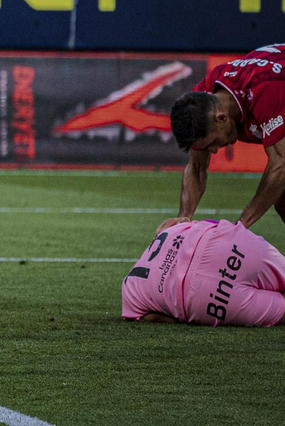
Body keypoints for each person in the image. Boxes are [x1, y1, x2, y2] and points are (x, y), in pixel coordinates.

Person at [163, 45, 285, 236]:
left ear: (221, 118)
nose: (212, 151)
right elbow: (196, 167)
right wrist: (183, 219)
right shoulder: (203, 99)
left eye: (211, 143)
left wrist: (238, 228)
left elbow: (281, 165)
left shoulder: (265, 91)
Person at [122, 219, 285, 326]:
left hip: (203, 296)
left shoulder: (129, 290)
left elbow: (160, 319)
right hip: (226, 244)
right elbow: (214, 223)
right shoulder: (170, 230)